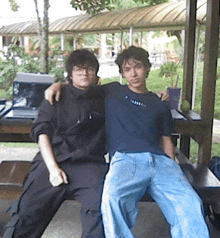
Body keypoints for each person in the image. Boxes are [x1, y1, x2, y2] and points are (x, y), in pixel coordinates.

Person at [44, 46, 209, 238]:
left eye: (138, 67)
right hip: (126, 160)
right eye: (127, 69)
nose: (133, 73)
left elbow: (166, 141)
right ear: (122, 73)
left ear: (147, 68)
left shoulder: (161, 104)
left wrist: (173, 168)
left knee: (190, 203)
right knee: (111, 200)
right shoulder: (113, 91)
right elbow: (82, 84)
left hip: (160, 162)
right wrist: (58, 85)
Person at [3, 49, 108, 238]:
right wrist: (52, 169)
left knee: (99, 210)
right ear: (70, 74)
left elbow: (134, 90)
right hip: (54, 159)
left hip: (89, 163)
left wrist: (158, 95)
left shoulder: (106, 95)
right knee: (27, 210)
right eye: (78, 69)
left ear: (96, 73)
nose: (84, 73)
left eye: (89, 69)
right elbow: (42, 132)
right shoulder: (56, 96)